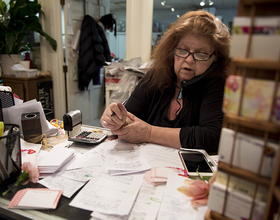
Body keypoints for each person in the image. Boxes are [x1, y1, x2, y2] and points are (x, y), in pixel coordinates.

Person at [100, 10, 231, 153]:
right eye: (182, 50)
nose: (189, 59)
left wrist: (149, 133)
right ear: (172, 50)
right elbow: (130, 116)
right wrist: (116, 119)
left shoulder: (217, 84)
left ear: (215, 58)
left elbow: (213, 138)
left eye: (201, 54)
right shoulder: (155, 77)